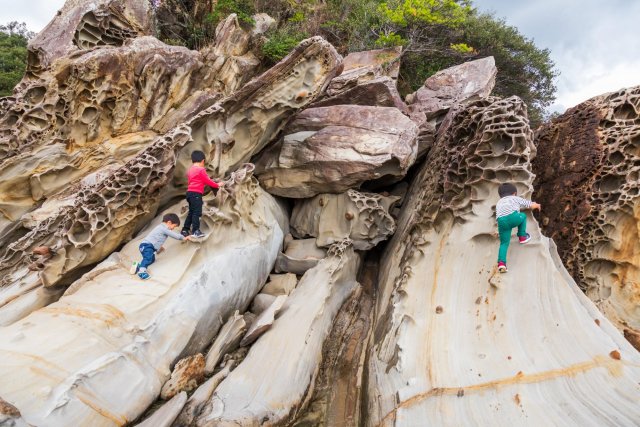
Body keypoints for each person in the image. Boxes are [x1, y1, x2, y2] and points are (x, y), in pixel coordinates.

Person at [495, 183, 541, 273]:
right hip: (512, 217)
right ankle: (522, 236)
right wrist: (536, 205)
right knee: (523, 216)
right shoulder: (515, 198)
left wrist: (498, 230)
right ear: (514, 193)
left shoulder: (499, 202)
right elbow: (528, 204)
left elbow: (499, 216)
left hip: (501, 222)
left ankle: (501, 264)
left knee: (504, 243)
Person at [136, 213, 192, 280]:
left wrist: (159, 247)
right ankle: (141, 272)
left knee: (151, 259)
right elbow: (173, 235)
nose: (173, 228)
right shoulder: (163, 228)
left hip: (146, 246)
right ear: (169, 222)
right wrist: (183, 238)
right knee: (148, 258)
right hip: (146, 246)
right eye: (174, 226)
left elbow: (157, 239)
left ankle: (139, 266)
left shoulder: (160, 228)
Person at [182, 150, 223, 239]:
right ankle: (195, 231)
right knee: (197, 212)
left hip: (189, 193)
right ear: (203, 161)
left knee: (191, 212)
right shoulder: (201, 169)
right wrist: (217, 185)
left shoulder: (190, 170)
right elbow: (207, 181)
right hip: (196, 193)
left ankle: (185, 230)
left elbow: (191, 182)